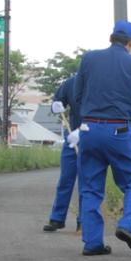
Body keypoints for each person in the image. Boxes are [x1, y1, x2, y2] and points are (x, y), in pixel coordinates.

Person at [73, 20, 131, 256]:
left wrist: (83, 127)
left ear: (111, 38)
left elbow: (77, 96)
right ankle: (128, 226)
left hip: (89, 129)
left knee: (90, 188)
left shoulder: (89, 59)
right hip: (119, 131)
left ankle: (93, 243)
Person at [43, 74, 81, 232]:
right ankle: (57, 218)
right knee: (66, 178)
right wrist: (55, 106)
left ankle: (84, 220)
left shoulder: (101, 82)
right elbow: (57, 102)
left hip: (92, 134)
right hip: (72, 135)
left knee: (87, 180)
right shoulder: (71, 82)